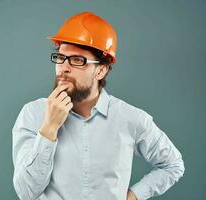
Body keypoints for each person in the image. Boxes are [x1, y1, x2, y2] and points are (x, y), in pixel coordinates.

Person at [12, 11, 185, 200]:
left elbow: (173, 165)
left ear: (101, 70)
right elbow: (26, 193)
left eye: (78, 60)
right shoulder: (33, 114)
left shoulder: (131, 118)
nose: (64, 67)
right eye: (60, 57)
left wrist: (134, 196)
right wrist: (49, 128)